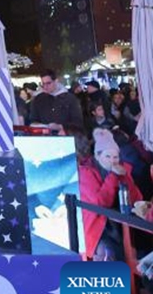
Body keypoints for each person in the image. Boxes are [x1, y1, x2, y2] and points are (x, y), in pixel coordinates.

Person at [77, 130, 142, 259]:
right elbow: (100, 203)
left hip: (122, 224)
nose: (112, 161)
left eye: (115, 157)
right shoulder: (86, 172)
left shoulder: (122, 169)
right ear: (97, 156)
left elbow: (137, 199)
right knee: (108, 253)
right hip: (98, 228)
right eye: (107, 156)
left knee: (143, 249)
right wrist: (113, 176)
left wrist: (124, 178)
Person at [28, 69, 84, 133]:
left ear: (56, 81)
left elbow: (78, 122)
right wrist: (39, 127)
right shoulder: (38, 99)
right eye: (43, 84)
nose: (45, 86)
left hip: (67, 138)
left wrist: (61, 127)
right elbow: (33, 120)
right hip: (45, 138)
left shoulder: (70, 98)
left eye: (48, 83)